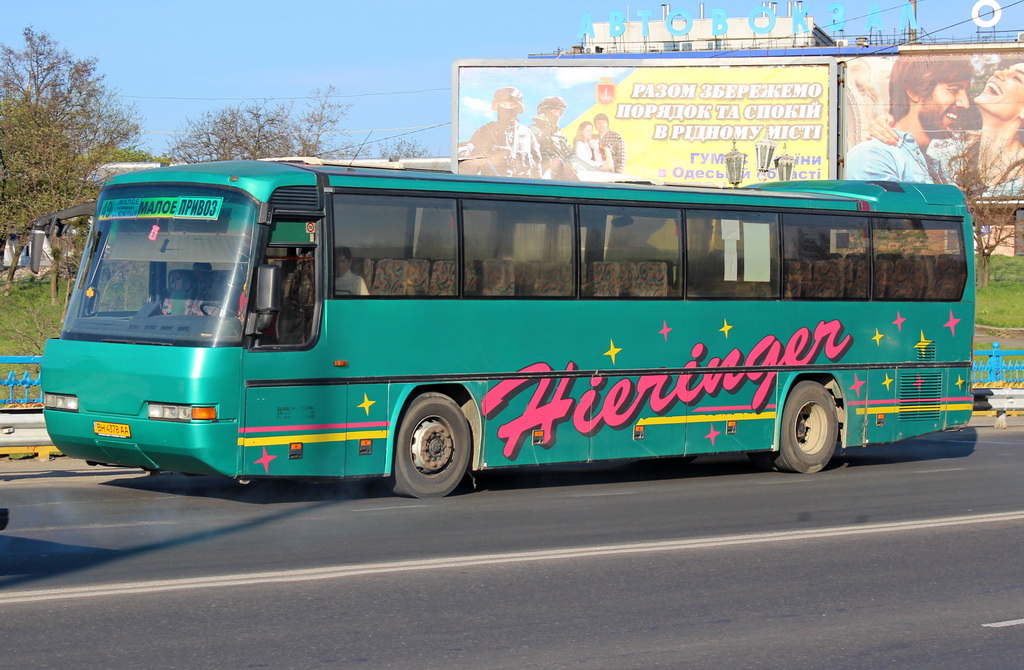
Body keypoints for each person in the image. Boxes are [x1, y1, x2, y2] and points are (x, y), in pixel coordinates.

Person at [846, 56, 972, 183]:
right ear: (914, 91)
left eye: (967, 92)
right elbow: (884, 203)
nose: (966, 104)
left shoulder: (930, 163)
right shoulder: (875, 155)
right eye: (954, 90)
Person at [458, 87, 542, 178]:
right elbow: (469, 163)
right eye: (504, 105)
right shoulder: (485, 131)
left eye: (511, 105)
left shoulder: (527, 134)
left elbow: (537, 164)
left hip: (522, 186)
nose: (507, 108)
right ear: (497, 106)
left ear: (518, 107)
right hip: (493, 185)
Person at [528, 96, 579, 180]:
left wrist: (571, 167)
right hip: (540, 178)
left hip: (561, 178)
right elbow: (529, 157)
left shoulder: (561, 136)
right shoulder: (533, 130)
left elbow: (569, 157)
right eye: (554, 111)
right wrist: (549, 163)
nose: (557, 115)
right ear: (544, 111)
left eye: (559, 112)